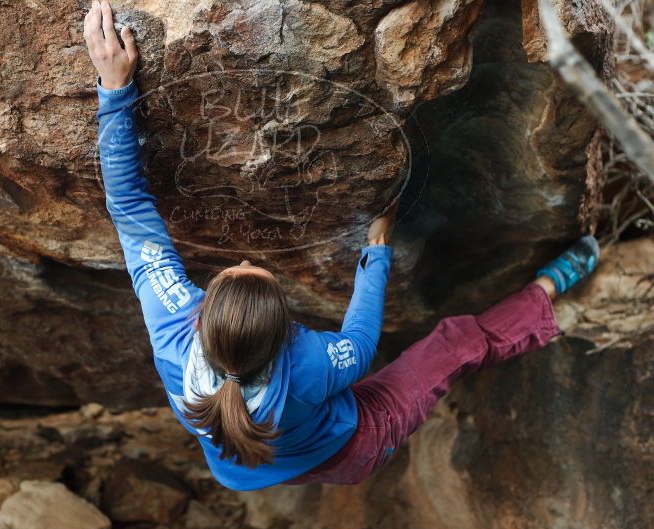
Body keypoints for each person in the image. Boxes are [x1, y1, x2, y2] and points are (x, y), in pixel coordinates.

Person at [83, 1, 601, 491]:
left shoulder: (171, 327)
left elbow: (128, 208)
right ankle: (544, 294)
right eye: (254, 273)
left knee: (275, 431)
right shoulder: (313, 361)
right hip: (354, 447)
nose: (243, 259)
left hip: (246, 468)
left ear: (202, 316)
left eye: (230, 274)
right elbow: (360, 335)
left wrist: (114, 88)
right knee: (453, 344)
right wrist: (378, 246)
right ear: (288, 334)